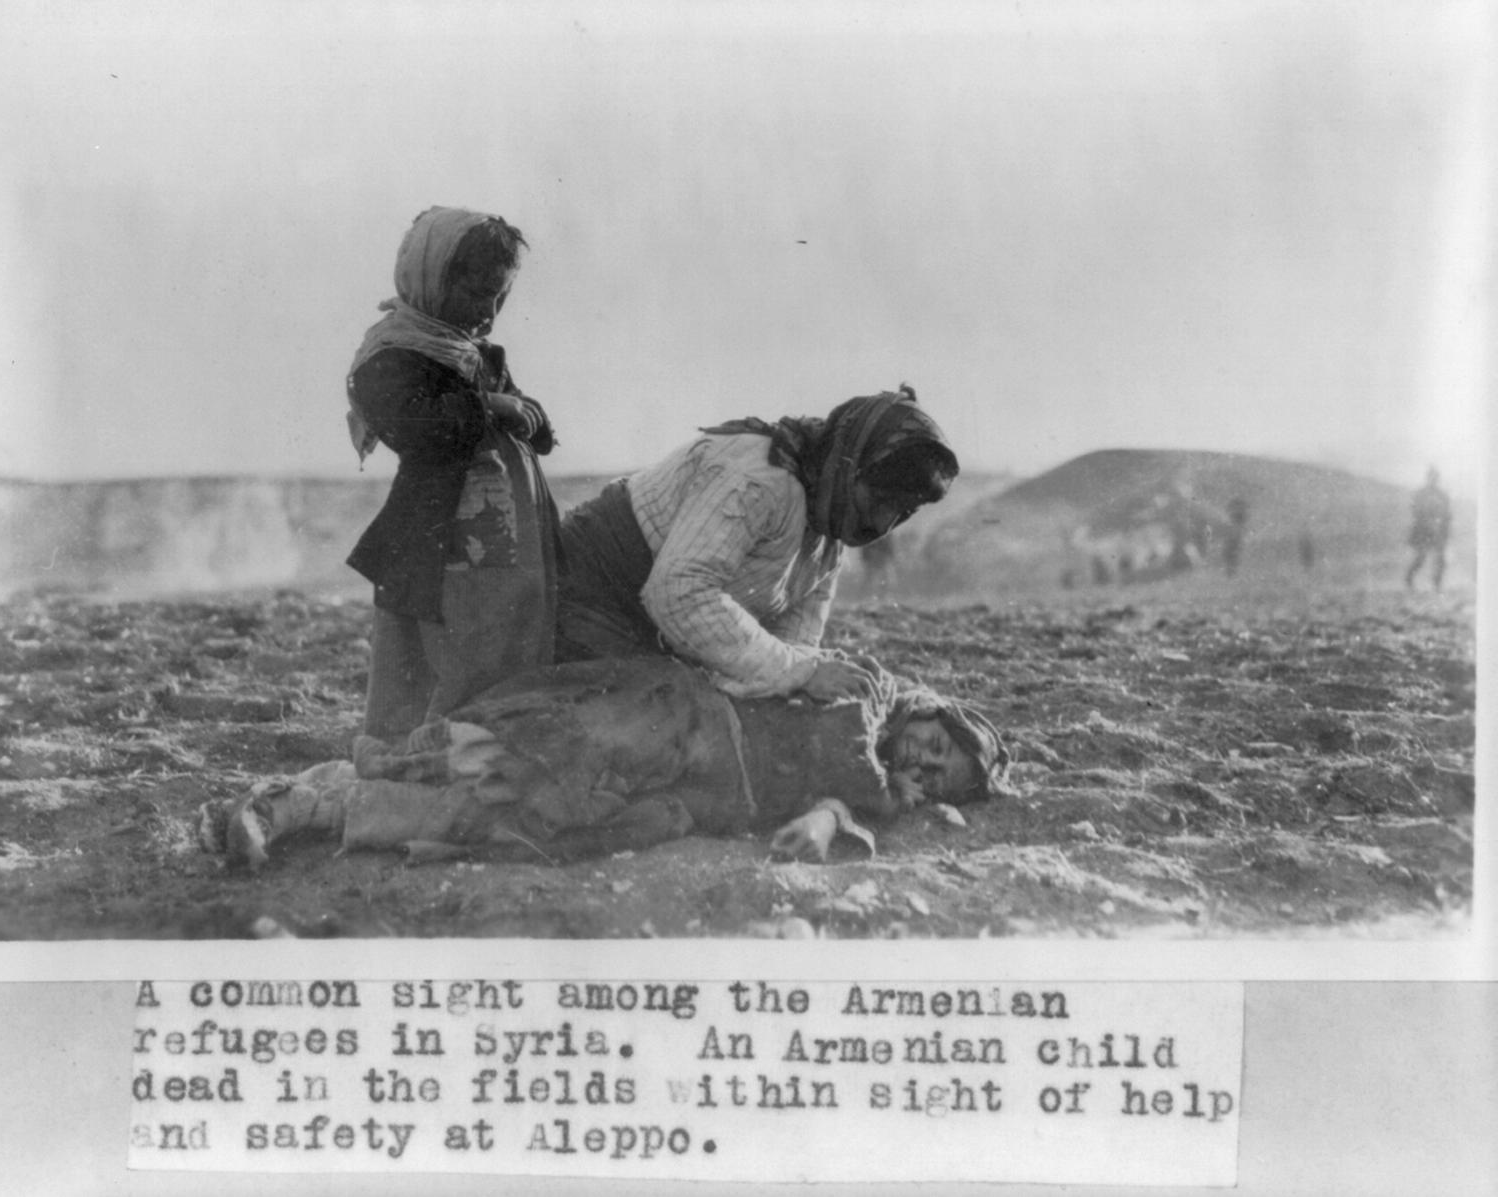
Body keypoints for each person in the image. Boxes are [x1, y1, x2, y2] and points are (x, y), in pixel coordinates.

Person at [199, 655, 1011, 869]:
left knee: (527, 820)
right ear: (927, 711)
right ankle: (290, 798)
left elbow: (836, 811)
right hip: (680, 722)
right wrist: (877, 789)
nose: (924, 763)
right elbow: (845, 742)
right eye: (935, 745)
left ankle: (304, 811)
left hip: (694, 795)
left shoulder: (879, 790)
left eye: (942, 775)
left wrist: (850, 813)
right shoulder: (869, 693)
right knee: (522, 757)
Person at [555, 384, 958, 702]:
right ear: (850, 464)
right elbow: (679, 593)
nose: (885, 522)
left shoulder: (827, 533)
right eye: (884, 500)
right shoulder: (760, 479)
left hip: (656, 625)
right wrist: (803, 675)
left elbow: (792, 643)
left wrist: (816, 677)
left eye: (905, 511)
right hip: (592, 590)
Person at [345, 207, 562, 739]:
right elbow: (415, 428)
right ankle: (416, 766)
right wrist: (490, 407)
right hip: (438, 542)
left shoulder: (477, 354)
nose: (489, 311)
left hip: (502, 545)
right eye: (477, 294)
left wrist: (530, 419)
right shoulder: (392, 355)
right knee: (436, 664)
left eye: (500, 297)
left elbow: (524, 421)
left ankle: (481, 749)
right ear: (431, 280)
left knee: (504, 645)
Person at [1405, 467, 1452, 591]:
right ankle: (1409, 579)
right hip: (1422, 531)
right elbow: (1415, 511)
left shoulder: (1442, 495)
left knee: (1440, 558)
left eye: (1435, 477)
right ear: (1428, 478)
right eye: (1431, 477)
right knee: (1421, 557)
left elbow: (1447, 514)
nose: (1433, 480)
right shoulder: (1420, 494)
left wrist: (1443, 530)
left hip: (1438, 531)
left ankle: (1437, 584)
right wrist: (1426, 522)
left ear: (1438, 479)